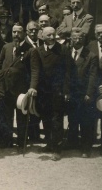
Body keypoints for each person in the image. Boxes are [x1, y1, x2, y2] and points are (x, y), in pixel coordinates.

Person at [28, 27, 71, 161]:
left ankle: (57, 149)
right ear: (42, 37)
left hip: (57, 91)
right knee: (45, 118)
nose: (52, 37)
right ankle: (49, 143)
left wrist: (66, 90)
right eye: (48, 35)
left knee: (57, 119)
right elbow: (35, 71)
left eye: (53, 35)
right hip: (43, 91)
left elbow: (68, 72)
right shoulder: (37, 51)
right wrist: (33, 88)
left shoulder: (63, 50)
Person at [0, 24, 34, 149]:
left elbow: (33, 70)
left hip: (21, 89)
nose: (16, 35)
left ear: (24, 33)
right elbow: (0, 64)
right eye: (14, 32)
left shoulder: (30, 49)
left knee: (22, 117)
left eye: (19, 32)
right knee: (7, 116)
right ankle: (7, 141)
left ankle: (22, 142)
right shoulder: (6, 47)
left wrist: (30, 88)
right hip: (6, 88)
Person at [66, 28, 99, 158]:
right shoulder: (66, 53)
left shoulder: (91, 56)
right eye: (75, 38)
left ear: (84, 40)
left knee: (86, 121)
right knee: (72, 119)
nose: (77, 40)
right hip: (71, 93)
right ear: (71, 39)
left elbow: (93, 76)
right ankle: (72, 142)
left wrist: (89, 93)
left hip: (84, 94)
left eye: (80, 38)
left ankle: (86, 147)